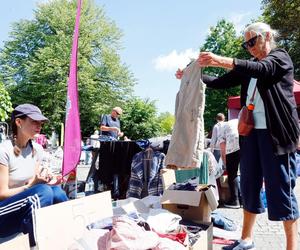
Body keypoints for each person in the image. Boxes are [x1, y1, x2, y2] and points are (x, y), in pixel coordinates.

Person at [176, 22, 299, 250]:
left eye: (252, 41)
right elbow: (220, 82)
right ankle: (246, 239)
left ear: (267, 36)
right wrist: (191, 74)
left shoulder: (280, 58)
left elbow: (263, 70)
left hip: (276, 136)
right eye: (246, 44)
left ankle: (292, 247)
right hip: (250, 134)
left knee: (280, 189)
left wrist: (220, 59)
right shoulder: (250, 66)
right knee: (249, 185)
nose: (249, 47)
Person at [0, 104, 68, 246]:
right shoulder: (4, 150)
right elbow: (2, 193)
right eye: (34, 122)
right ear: (19, 122)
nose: (39, 126)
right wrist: (33, 186)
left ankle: (67, 236)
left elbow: (33, 183)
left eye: (41, 123)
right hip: (3, 213)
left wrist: (48, 181)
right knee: (43, 192)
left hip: (20, 206)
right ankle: (35, 245)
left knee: (56, 192)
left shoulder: (36, 149)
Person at [218, 119, 241, 209]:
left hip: (233, 147)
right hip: (246, 142)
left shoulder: (222, 128)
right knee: (245, 172)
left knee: (232, 173)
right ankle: (244, 199)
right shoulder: (236, 120)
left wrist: (225, 163)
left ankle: (235, 200)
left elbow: (223, 148)